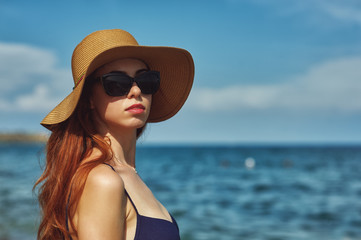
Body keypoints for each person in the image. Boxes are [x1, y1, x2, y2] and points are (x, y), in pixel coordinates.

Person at [34, 29, 194, 240]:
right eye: (117, 83)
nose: (136, 91)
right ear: (89, 98)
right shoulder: (103, 180)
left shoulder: (125, 173)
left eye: (146, 81)